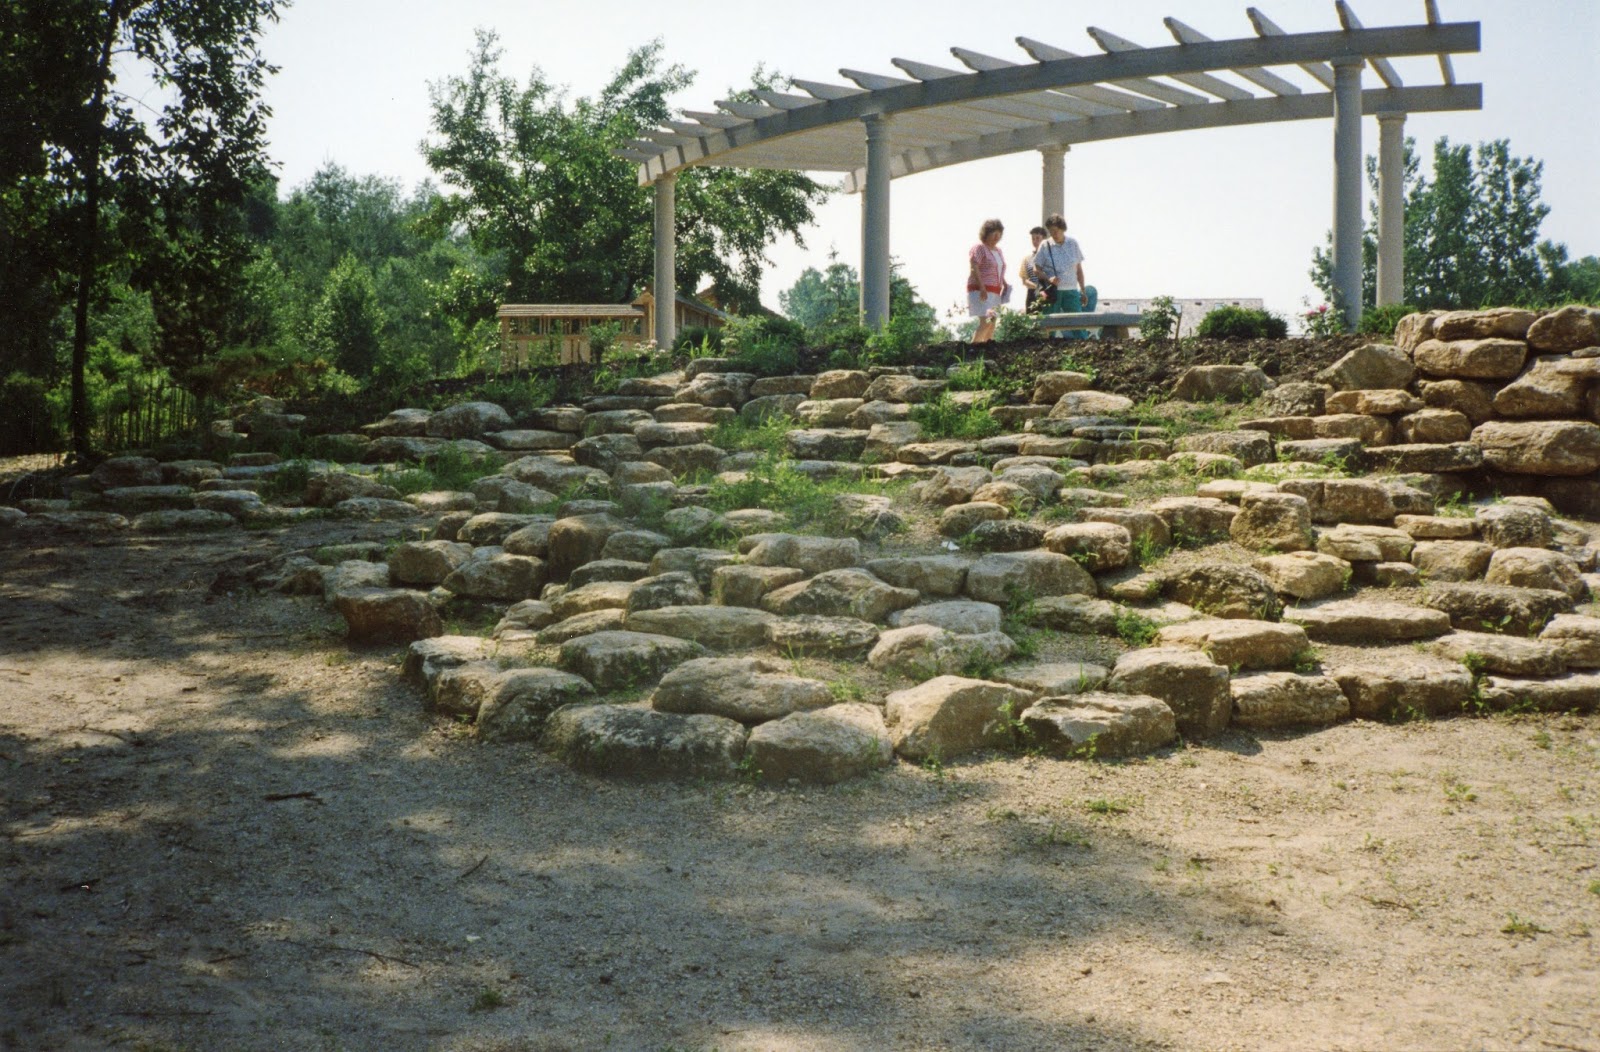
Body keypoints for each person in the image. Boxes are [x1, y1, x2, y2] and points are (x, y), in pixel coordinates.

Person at [1033, 213, 1098, 337]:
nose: (1054, 234)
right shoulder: (1045, 245)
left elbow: (1079, 270)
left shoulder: (1073, 243)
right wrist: (1048, 278)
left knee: (1078, 327)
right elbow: (1036, 269)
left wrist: (1083, 290)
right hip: (1053, 293)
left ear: (1063, 229)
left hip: (1071, 291)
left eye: (1056, 230)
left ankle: (1083, 351)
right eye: (1051, 231)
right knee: (1049, 328)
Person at [965, 218, 1008, 343]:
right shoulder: (979, 248)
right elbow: (974, 267)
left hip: (995, 291)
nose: (997, 236)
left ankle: (987, 348)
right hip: (980, 290)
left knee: (993, 321)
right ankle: (973, 349)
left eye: (999, 233)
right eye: (993, 233)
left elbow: (998, 269)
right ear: (986, 233)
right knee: (986, 321)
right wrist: (982, 287)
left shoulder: (998, 251)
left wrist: (1004, 283)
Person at [1020, 226, 1048, 312]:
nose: (1035, 241)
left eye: (1037, 238)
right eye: (1033, 239)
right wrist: (1037, 287)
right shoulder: (1027, 259)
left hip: (1048, 292)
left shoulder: (1050, 257)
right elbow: (1024, 280)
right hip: (1032, 294)